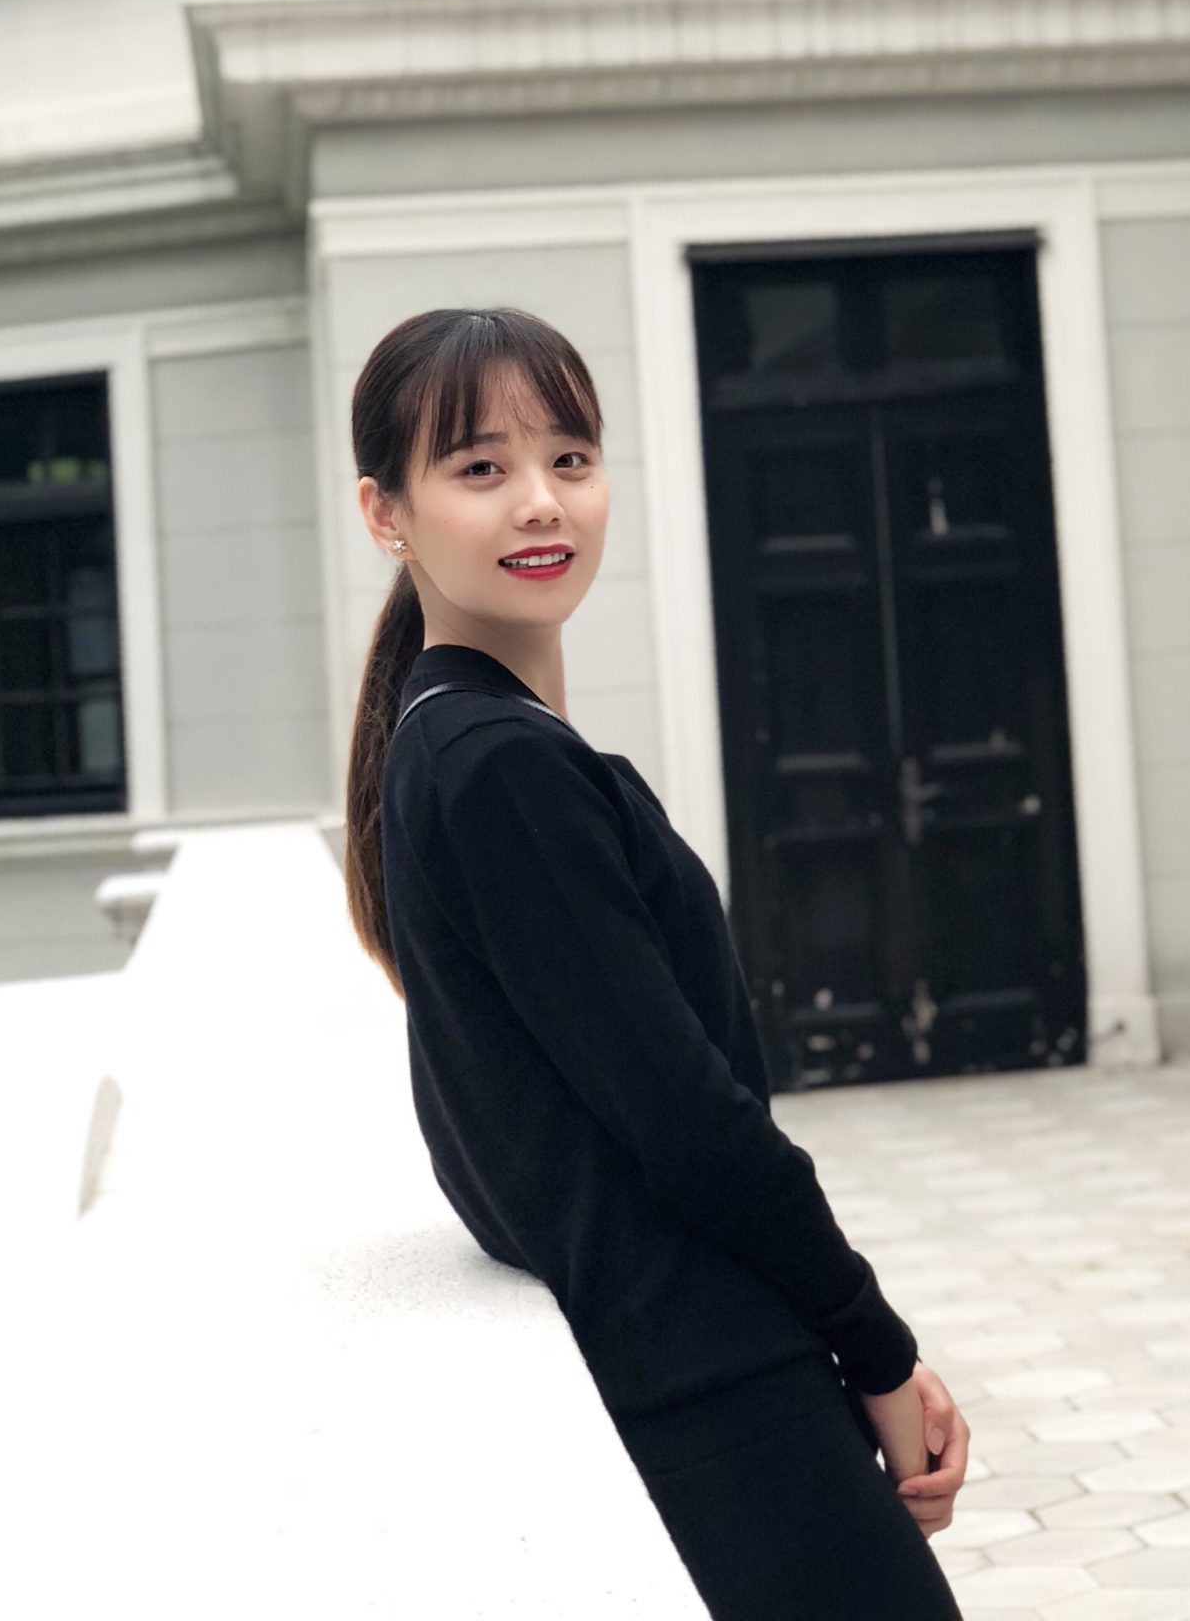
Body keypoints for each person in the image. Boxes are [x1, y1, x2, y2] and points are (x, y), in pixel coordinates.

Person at [342, 303, 970, 1619]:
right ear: (385, 513)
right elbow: (689, 1122)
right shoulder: (498, 769)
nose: (540, 501)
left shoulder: (453, 742)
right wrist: (877, 1349)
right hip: (706, 1391)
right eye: (480, 467)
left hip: (688, 1362)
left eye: (569, 458)